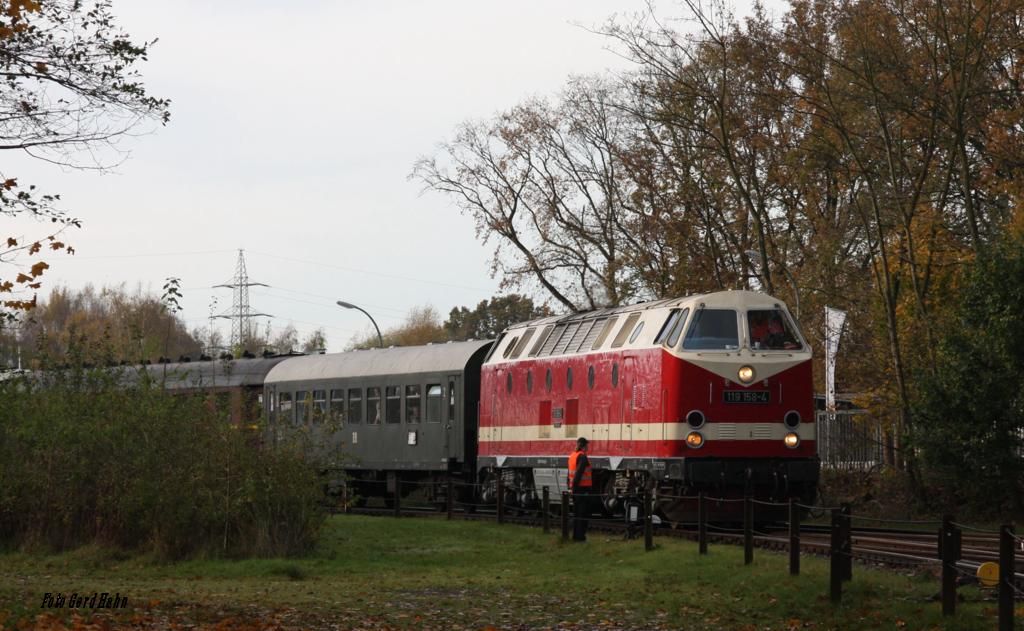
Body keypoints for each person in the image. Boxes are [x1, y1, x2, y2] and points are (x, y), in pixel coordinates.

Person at [568, 437, 593, 542]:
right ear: (583, 446)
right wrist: (574, 488)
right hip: (582, 490)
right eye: (587, 445)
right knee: (582, 515)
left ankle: (575, 536)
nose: (588, 447)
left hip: (576, 490)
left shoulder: (572, 456)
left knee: (577, 514)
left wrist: (571, 488)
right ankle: (580, 537)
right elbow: (578, 474)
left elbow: (569, 474)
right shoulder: (582, 457)